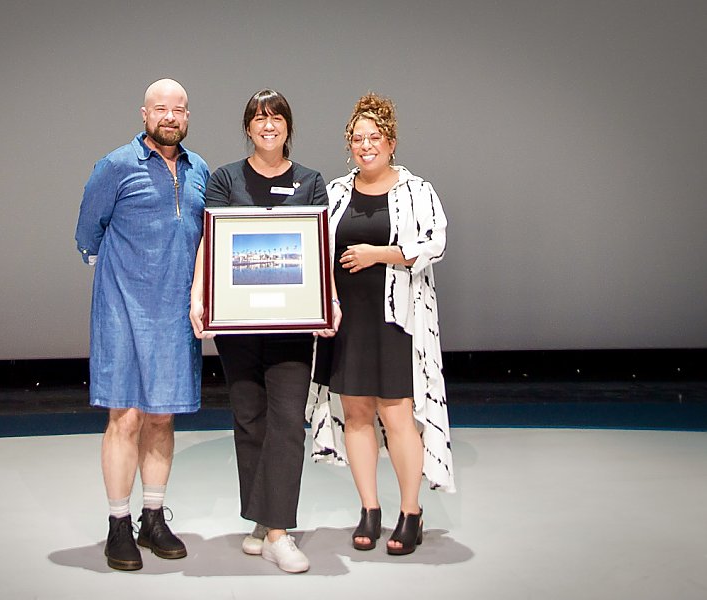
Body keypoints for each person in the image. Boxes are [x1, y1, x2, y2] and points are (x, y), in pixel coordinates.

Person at [189, 89, 332, 574]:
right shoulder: (225, 178)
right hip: (238, 324)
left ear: (289, 127)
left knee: (288, 421)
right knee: (249, 418)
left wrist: (328, 301)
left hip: (293, 325)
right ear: (248, 127)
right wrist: (199, 299)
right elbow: (210, 242)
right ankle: (260, 518)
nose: (268, 125)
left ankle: (278, 532)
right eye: (258, 117)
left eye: (276, 118)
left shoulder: (311, 181)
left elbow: (319, 249)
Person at [308, 93, 455, 556]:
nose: (365, 145)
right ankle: (369, 508)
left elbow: (435, 244)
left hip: (397, 320)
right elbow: (314, 249)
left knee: (396, 415)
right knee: (354, 413)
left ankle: (410, 511)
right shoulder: (334, 192)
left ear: (391, 143)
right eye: (357, 138)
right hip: (346, 318)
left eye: (374, 138)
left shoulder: (416, 191)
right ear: (348, 144)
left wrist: (379, 255)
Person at [75, 78, 209, 571]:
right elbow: (87, 232)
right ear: (144, 113)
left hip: (176, 315)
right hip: (123, 312)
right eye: (160, 108)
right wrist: (121, 281)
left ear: (188, 117)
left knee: (161, 417)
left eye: (179, 109)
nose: (169, 116)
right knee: (125, 417)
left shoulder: (200, 172)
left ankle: (152, 519)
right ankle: (118, 525)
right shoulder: (114, 166)